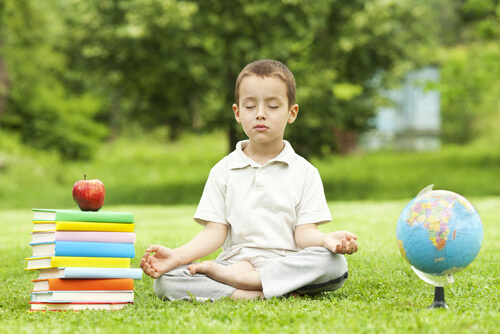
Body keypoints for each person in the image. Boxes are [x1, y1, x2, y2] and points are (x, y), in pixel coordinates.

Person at [140, 59, 359, 301]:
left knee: (334, 264)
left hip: (286, 265)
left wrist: (326, 240)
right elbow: (213, 234)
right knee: (166, 282)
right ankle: (255, 293)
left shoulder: (305, 172)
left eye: (273, 106)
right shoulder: (223, 171)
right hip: (234, 265)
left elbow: (304, 235)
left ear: (291, 113)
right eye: (250, 106)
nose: (261, 114)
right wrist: (177, 256)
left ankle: (249, 285)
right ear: (237, 112)